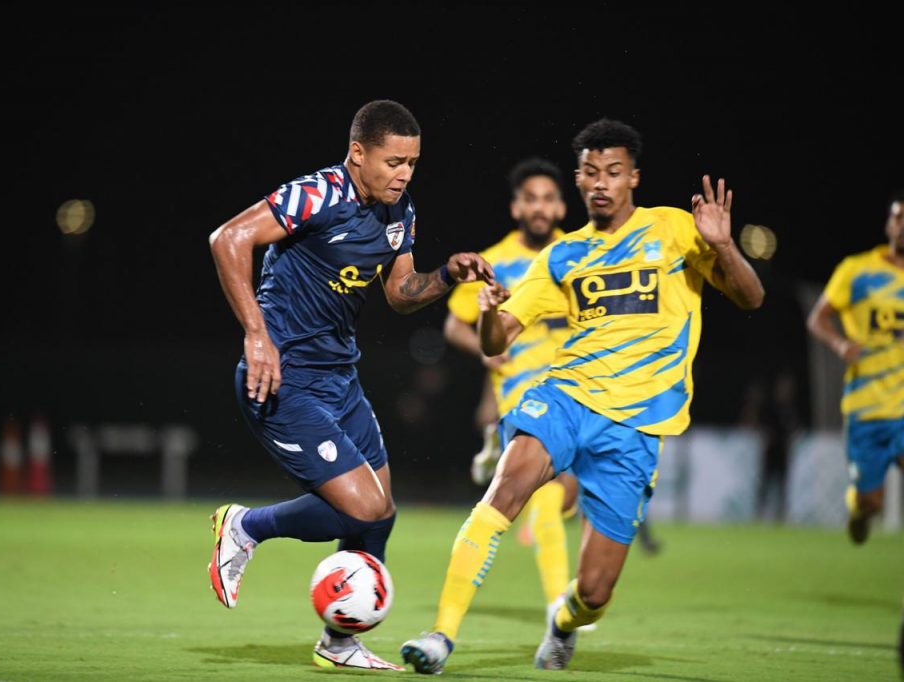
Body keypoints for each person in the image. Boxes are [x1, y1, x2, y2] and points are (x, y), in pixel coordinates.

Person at [401, 118, 764, 673]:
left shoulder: (673, 229)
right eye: (591, 172)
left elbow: (750, 297)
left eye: (613, 172)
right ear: (578, 178)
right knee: (507, 487)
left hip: (638, 426)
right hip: (566, 398)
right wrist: (490, 316)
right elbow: (499, 341)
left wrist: (722, 246)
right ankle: (440, 636)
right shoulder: (563, 257)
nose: (601, 182)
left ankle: (562, 621)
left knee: (594, 592)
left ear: (633, 178)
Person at [206, 99, 494, 671]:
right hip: (283, 378)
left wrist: (446, 276)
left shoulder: (398, 210)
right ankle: (244, 525)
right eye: (393, 161)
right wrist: (256, 335)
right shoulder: (317, 193)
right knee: (362, 509)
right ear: (358, 153)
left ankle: (338, 645)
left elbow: (400, 291)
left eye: (412, 162)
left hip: (340, 378)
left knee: (380, 513)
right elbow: (228, 239)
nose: (404, 173)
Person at [443, 157, 583, 619]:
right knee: (547, 500)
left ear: (561, 206)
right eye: (530, 200)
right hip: (523, 393)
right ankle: (558, 611)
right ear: (516, 207)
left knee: (568, 497)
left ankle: (494, 454)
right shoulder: (495, 261)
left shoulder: (580, 255)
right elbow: (454, 326)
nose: (539, 208)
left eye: (547, 199)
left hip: (578, 389)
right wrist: (485, 349)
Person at [806, 190, 904, 544]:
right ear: (889, 224)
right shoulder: (858, 270)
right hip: (867, 407)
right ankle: (859, 508)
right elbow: (818, 319)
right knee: (871, 502)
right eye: (899, 217)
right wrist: (840, 343)